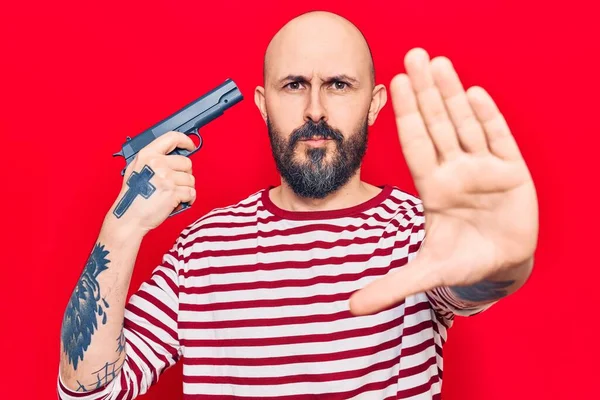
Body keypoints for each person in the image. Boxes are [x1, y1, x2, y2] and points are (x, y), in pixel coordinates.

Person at [57, 10, 539, 400]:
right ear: (264, 104)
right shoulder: (202, 248)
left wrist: (503, 263)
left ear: (373, 104)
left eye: (338, 84)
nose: (314, 109)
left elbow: (473, 278)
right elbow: (89, 393)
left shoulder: (418, 232)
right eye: (294, 85)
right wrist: (121, 228)